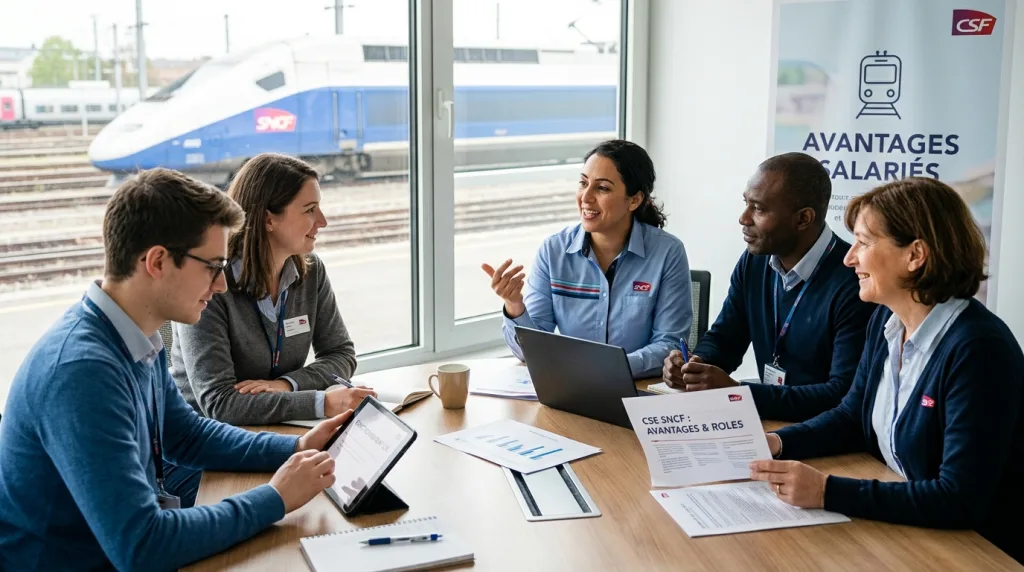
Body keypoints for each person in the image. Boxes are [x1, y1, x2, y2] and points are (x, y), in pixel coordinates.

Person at [0, 168, 350, 571]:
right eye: (213, 266)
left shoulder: (133, 336)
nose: (221, 286)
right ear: (158, 262)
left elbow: (184, 434)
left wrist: (296, 448)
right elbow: (143, 545)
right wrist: (275, 498)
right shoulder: (82, 372)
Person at [749, 177, 1023, 563]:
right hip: (904, 529)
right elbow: (851, 417)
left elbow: (958, 498)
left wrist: (827, 491)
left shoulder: (978, 349)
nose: (849, 258)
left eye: (863, 242)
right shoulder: (886, 320)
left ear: (915, 255)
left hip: (973, 551)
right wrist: (777, 444)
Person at [662, 152, 874, 421]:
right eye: (746, 203)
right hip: (767, 420)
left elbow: (840, 395)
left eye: (759, 209)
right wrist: (696, 365)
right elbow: (725, 338)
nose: (743, 218)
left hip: (822, 435)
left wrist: (737, 394)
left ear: (803, 219)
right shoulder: (754, 261)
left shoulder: (855, 283)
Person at [170, 153, 373, 426]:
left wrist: (287, 385)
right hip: (210, 444)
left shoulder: (311, 271)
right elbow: (219, 403)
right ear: (268, 220)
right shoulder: (211, 282)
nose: (322, 221)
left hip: (280, 427)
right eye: (309, 209)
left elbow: (341, 354)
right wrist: (321, 402)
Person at [483, 139, 692, 378]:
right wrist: (514, 305)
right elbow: (530, 352)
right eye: (583, 183)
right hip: (574, 389)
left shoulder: (668, 252)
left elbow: (669, 345)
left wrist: (606, 369)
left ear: (634, 200)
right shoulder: (554, 251)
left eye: (602, 188)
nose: (586, 197)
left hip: (638, 390)